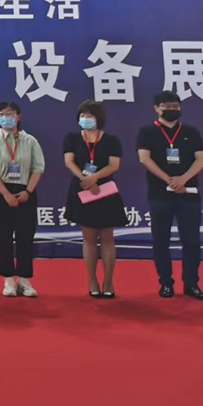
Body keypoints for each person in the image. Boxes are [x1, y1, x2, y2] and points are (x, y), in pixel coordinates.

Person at [137, 91, 203, 300]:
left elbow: (201, 159)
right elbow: (144, 159)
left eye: (175, 106)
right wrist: (169, 180)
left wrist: (183, 179)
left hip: (189, 195)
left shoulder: (191, 132)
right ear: (156, 108)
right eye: (166, 106)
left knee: (192, 241)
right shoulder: (147, 132)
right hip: (160, 195)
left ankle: (192, 283)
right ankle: (166, 283)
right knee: (161, 241)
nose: (171, 110)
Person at [0, 101, 45, 298]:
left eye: (9, 113)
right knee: (3, 237)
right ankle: (8, 279)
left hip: (25, 191)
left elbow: (38, 168)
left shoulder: (30, 141)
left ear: (18, 117)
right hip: (0, 191)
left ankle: (24, 280)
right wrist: (6, 194)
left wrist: (28, 191)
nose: (5, 117)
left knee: (25, 237)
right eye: (1, 114)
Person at [62, 101, 125, 299]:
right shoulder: (72, 138)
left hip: (104, 190)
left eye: (89, 115)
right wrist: (85, 179)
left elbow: (113, 165)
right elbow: (69, 161)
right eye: (82, 115)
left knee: (107, 237)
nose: (85, 119)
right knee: (88, 238)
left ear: (99, 118)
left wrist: (94, 178)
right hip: (82, 189)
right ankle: (92, 281)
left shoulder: (111, 140)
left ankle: (108, 282)